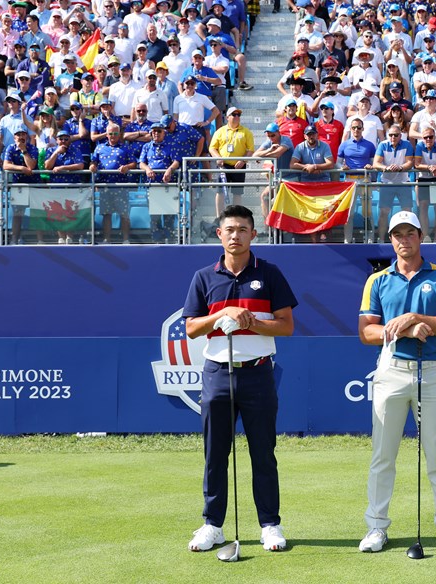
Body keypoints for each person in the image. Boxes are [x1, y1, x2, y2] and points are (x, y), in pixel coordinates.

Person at [184, 204, 297, 554]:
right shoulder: (204, 277)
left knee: (263, 452)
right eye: (229, 229)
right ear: (219, 234)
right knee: (215, 453)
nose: (235, 235)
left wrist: (251, 321)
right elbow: (190, 328)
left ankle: (270, 525)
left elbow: (286, 326)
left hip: (258, 371)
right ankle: (213, 525)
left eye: (242, 229)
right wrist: (222, 315)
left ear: (254, 234)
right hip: (218, 373)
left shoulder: (271, 273)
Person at [357, 209, 436, 555]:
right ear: (390, 240)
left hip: (431, 369)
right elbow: (366, 331)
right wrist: (406, 328)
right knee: (383, 454)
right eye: (397, 235)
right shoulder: (377, 280)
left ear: (421, 237)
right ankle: (376, 527)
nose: (404, 240)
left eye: (410, 233)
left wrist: (418, 318)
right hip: (391, 369)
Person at [90, 122, 136, 244]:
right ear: (107, 134)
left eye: (115, 133)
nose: (113, 136)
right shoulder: (99, 147)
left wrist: (126, 167)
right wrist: (92, 166)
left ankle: (126, 239)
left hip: (121, 185)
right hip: (105, 185)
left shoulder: (125, 147)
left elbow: (134, 163)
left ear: (119, 134)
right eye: (110, 133)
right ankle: (107, 239)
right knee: (106, 214)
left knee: (124, 213)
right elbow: (93, 162)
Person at [139, 121, 180, 243]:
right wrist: (147, 169)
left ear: (164, 133)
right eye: (154, 131)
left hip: (168, 185)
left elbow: (176, 161)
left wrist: (169, 170)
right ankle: (156, 240)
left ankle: (170, 240)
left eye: (159, 131)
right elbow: (141, 162)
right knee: (154, 216)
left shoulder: (171, 145)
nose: (156, 133)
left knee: (169, 214)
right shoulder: (146, 146)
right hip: (153, 185)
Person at [374, 126, 415, 244]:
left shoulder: (406, 145)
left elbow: (409, 162)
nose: (393, 137)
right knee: (383, 212)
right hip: (387, 183)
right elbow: (376, 163)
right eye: (391, 135)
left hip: (403, 182)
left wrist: (400, 168)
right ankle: (381, 239)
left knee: (407, 212)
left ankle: (410, 240)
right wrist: (386, 168)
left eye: (396, 135)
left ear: (400, 136)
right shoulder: (383, 145)